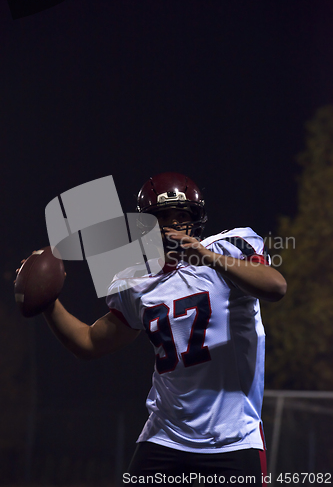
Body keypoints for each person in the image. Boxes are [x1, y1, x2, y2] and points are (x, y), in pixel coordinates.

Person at [41, 172, 286, 486]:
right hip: (165, 437)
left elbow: (276, 287)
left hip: (233, 440)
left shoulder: (228, 247)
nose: (172, 226)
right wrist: (48, 303)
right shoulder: (135, 281)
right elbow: (89, 343)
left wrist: (208, 258)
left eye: (181, 216)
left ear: (196, 220)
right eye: (161, 218)